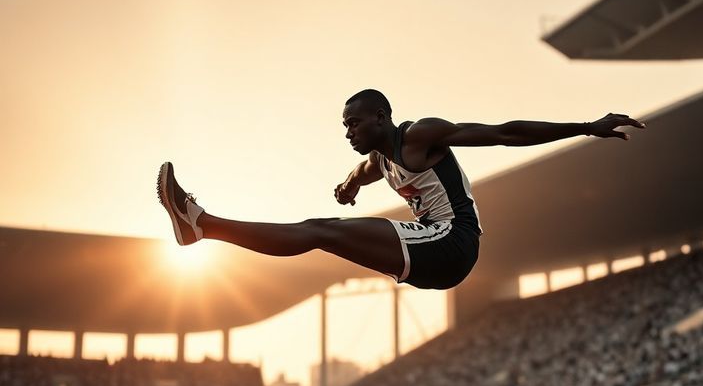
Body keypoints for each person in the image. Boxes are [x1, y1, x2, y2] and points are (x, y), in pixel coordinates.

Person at [157, 89, 644, 289]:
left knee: (320, 230)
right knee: (321, 232)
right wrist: (346, 188)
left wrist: (586, 126)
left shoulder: (419, 136)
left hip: (453, 240)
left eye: (353, 123)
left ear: (381, 117)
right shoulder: (378, 161)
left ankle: (203, 225)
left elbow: (504, 132)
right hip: (434, 255)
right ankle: (202, 228)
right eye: (344, 126)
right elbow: (356, 176)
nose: (347, 132)